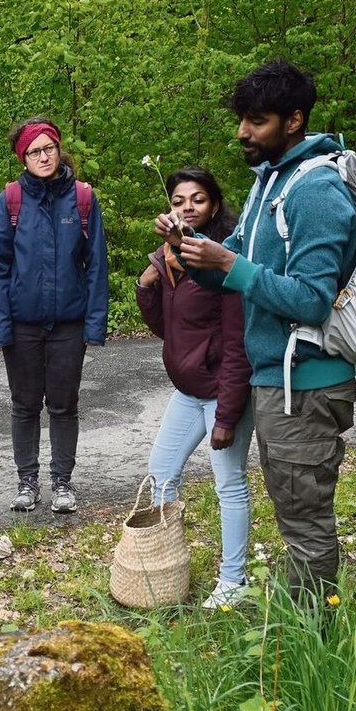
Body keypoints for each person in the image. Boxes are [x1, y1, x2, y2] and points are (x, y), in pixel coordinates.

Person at [161, 59, 356, 605]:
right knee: (294, 513)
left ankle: (313, 645)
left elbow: (313, 299)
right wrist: (192, 253)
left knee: (305, 522)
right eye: (242, 119)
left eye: (256, 121)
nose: (242, 132)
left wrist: (230, 265)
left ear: (293, 120)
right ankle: (302, 630)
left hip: (307, 381)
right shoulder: (271, 181)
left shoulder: (315, 190)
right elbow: (237, 270)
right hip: (276, 379)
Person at [136, 166, 253, 608]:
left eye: (198, 199)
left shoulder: (224, 258)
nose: (188, 207)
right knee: (161, 475)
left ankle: (234, 580)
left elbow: (238, 342)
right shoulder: (173, 257)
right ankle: (167, 565)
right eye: (180, 200)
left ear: (215, 205)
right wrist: (147, 285)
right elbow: (168, 329)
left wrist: (227, 415)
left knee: (229, 484)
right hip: (188, 391)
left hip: (223, 391)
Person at [0, 117, 108, 514]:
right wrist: (0, 327)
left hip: (68, 325)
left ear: (59, 149)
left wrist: (94, 324)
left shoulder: (83, 199)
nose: (43, 156)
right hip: (22, 324)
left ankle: (62, 483)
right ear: (23, 157)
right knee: (24, 405)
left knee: (63, 404)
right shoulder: (12, 199)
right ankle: (27, 482)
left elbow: (96, 265)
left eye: (48, 148)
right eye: (34, 151)